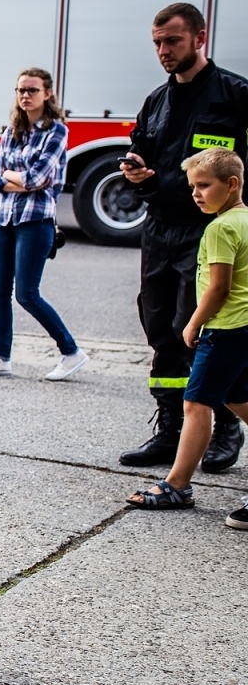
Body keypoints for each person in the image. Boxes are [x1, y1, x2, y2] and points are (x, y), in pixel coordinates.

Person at [118, 3, 248, 472]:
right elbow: (141, 144)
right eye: (156, 43)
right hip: (160, 228)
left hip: (210, 232)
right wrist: (135, 166)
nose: (163, 51)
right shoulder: (156, 100)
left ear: (200, 36)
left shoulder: (235, 95)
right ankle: (171, 429)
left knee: (205, 331)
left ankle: (225, 429)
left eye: (172, 41)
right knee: (161, 329)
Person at [126, 148, 248, 515]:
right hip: (242, 327)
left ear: (232, 185)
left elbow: (219, 287)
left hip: (223, 329)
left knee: (196, 404)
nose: (196, 193)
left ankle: (177, 485)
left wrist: (194, 322)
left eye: (204, 185)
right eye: (192, 186)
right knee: (237, 397)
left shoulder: (221, 227)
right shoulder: (244, 219)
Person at [0, 68, 87, 381]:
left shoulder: (57, 132)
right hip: (4, 218)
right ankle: (1, 357)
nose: (25, 95)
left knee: (26, 293)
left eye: (32, 90)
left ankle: (71, 352)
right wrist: (18, 178)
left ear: (47, 94)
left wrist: (16, 176)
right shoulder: (12, 130)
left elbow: (37, 180)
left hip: (35, 220)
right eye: (21, 90)